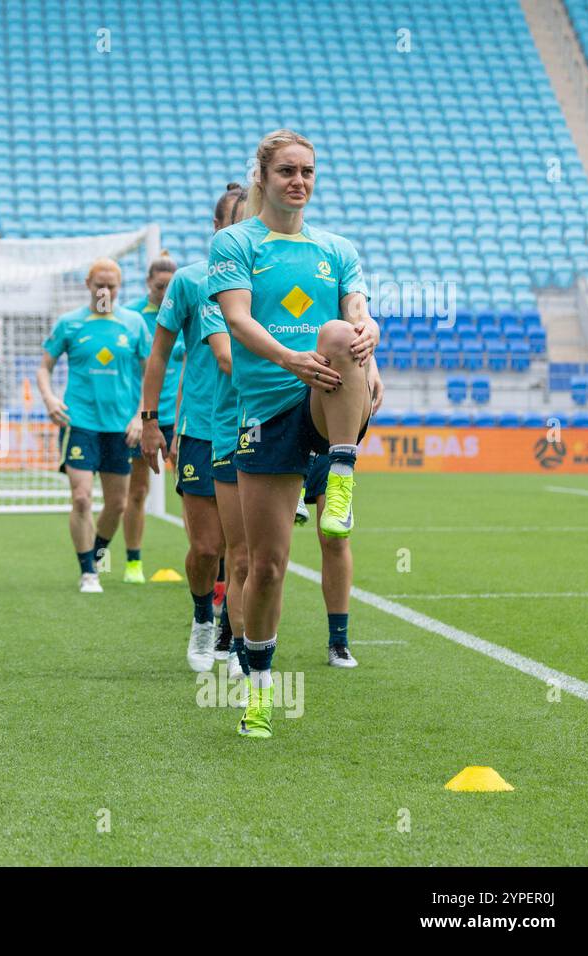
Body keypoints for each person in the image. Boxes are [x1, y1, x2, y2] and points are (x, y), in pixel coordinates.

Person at [205, 129, 378, 739]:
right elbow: (237, 318)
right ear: (263, 176)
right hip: (266, 410)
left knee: (339, 333)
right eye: (286, 171)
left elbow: (355, 313)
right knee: (267, 566)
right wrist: (290, 359)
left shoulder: (337, 248)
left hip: (322, 400)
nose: (298, 181)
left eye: (307, 171)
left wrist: (370, 339)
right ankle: (259, 685)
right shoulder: (235, 242)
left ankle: (342, 471)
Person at [142, 192, 248, 672]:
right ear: (216, 225)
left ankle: (235, 634)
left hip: (255, 427)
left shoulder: (266, 276)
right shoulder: (188, 282)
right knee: (208, 548)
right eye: (236, 221)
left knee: (245, 552)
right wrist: (150, 422)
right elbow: (160, 355)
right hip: (202, 429)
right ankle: (203, 621)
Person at [37, 259, 150, 593]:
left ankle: (97, 554)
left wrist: (140, 417)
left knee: (117, 504)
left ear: (120, 287)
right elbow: (44, 367)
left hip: (120, 426)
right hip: (80, 422)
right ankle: (88, 571)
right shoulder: (70, 323)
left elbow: (150, 375)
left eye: (111, 286)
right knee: (82, 498)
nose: (105, 291)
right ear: (88, 284)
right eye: (99, 284)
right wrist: (50, 398)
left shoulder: (133, 324)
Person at [197, 184, 251, 686]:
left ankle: (251, 644)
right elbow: (226, 358)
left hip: (278, 423)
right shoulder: (218, 289)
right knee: (233, 552)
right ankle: (231, 638)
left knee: (265, 559)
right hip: (229, 431)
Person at [301, 350, 383, 667]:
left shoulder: (341, 298)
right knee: (264, 549)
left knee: (335, 537)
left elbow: (357, 329)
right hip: (278, 409)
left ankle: (339, 641)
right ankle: (239, 636)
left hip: (327, 416)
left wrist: (371, 367)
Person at [120, 255, 177, 584]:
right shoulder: (130, 316)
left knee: (192, 492)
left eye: (171, 287)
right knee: (137, 491)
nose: (165, 292)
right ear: (147, 284)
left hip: (182, 416)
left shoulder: (185, 310)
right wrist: (138, 416)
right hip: (142, 416)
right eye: (160, 287)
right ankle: (132, 563)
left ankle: (207, 565)